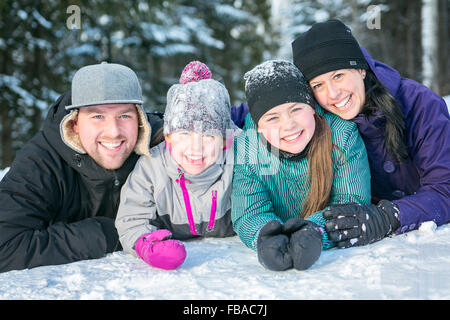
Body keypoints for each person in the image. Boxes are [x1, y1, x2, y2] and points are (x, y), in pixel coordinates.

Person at [292, 19, 450, 248]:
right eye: (318, 85)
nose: (333, 94)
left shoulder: (420, 104)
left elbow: (445, 189)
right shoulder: (319, 112)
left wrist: (389, 217)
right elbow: (268, 108)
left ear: (360, 69)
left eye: (338, 76)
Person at [231, 60, 371, 271]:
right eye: (272, 118)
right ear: (259, 127)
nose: (289, 124)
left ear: (312, 109)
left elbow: (351, 200)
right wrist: (265, 236)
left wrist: (316, 231)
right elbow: (249, 212)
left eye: (296, 109)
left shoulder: (342, 135)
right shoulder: (249, 147)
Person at [115, 61, 239, 270]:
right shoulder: (151, 166)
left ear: (225, 141)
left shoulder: (241, 158)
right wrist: (145, 243)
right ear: (169, 137)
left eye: (208, 135)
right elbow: (132, 217)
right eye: (184, 134)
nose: (195, 147)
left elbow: (266, 197)